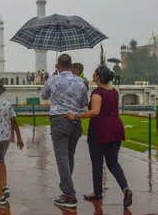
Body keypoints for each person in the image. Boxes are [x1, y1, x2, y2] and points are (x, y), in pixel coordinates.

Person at [65, 66, 133, 208]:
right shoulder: (114, 91)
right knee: (113, 162)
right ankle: (125, 188)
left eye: (95, 73)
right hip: (116, 127)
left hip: (101, 129)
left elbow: (95, 111)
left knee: (97, 163)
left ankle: (97, 193)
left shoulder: (97, 92)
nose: (93, 74)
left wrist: (76, 115)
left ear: (98, 77)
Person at [40, 54, 88, 208]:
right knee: (69, 156)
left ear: (57, 65)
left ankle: (69, 195)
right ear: (71, 64)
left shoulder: (53, 79)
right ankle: (67, 187)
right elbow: (84, 102)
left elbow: (44, 96)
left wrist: (54, 75)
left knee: (62, 158)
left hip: (59, 121)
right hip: (75, 121)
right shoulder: (80, 81)